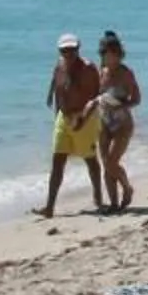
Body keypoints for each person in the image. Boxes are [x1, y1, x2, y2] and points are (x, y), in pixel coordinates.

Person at [41, 33, 105, 218]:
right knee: (57, 160)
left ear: (78, 49)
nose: (68, 53)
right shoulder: (60, 65)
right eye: (64, 50)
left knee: (90, 159)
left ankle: (98, 199)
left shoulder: (88, 68)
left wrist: (84, 118)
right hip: (64, 117)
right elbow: (57, 83)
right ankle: (49, 207)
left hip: (84, 116)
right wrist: (52, 101)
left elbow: (97, 97)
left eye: (72, 50)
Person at [92, 30, 141, 213]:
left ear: (119, 54)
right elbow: (95, 96)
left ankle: (127, 188)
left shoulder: (126, 73)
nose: (109, 58)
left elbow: (136, 99)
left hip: (122, 123)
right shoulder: (101, 72)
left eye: (113, 55)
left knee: (113, 162)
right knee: (106, 164)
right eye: (105, 55)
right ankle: (113, 203)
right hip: (104, 122)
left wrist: (121, 105)